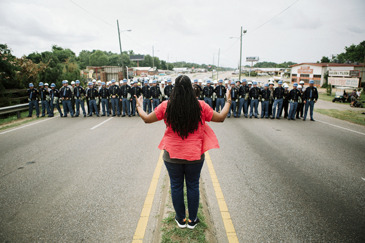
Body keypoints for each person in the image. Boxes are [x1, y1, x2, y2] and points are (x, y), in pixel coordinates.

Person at [134, 75, 231, 230]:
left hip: (172, 155)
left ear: (175, 89)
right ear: (191, 88)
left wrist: (139, 106)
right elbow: (221, 118)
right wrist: (228, 101)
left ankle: (180, 219)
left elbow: (146, 119)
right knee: (193, 186)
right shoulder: (200, 106)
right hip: (195, 155)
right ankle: (192, 220)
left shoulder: (167, 105)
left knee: (176, 185)